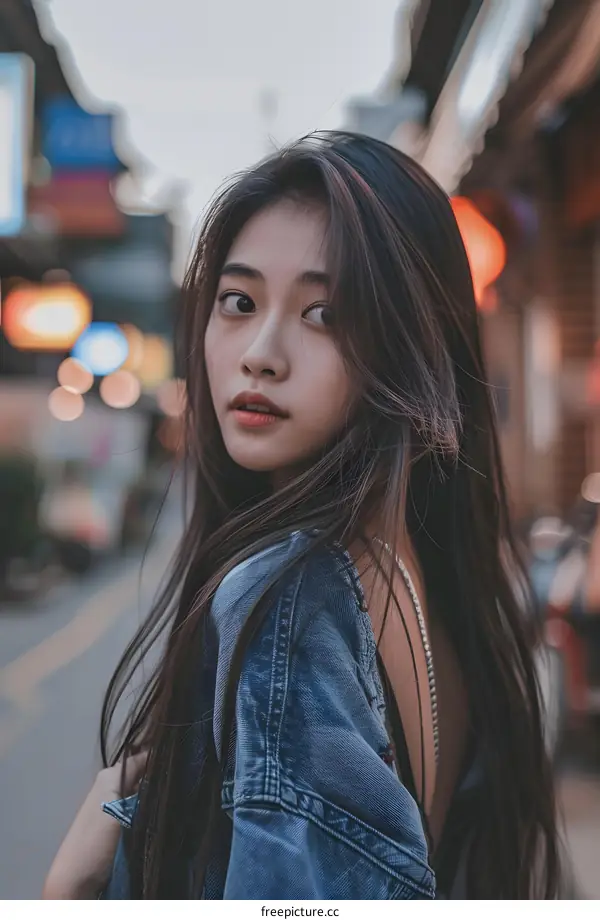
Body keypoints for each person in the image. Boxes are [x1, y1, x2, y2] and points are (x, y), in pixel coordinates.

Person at [43, 131, 560, 900]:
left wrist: (63, 894)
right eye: (239, 301)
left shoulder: (285, 600)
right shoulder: (427, 577)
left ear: (412, 343)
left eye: (324, 313)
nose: (261, 351)